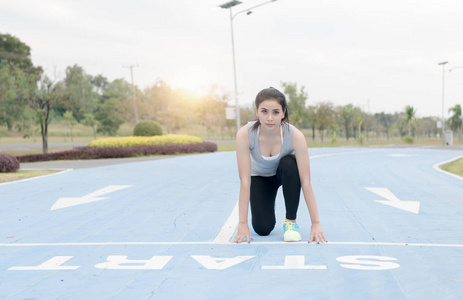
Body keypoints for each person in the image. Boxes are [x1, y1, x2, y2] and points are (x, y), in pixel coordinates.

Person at [233, 87, 327, 244]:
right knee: (262, 229)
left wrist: (315, 223)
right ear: (256, 111)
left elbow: (305, 181)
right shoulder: (245, 134)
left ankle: (290, 223)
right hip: (260, 177)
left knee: (289, 163)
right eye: (264, 111)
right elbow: (245, 180)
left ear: (283, 113)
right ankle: (269, 201)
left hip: (284, 174)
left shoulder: (295, 136)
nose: (270, 118)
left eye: (276, 112)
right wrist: (242, 224)